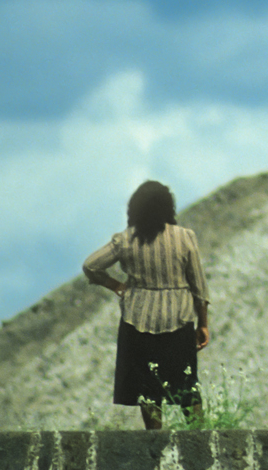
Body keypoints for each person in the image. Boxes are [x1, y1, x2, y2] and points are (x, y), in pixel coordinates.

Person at [82, 179, 212, 429]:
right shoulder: (185, 237)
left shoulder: (125, 240)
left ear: (135, 208)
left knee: (149, 386)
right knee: (186, 382)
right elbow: (199, 286)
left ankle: (155, 439)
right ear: (168, 208)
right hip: (179, 318)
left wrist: (116, 286)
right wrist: (203, 324)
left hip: (137, 318)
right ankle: (199, 435)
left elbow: (91, 265)